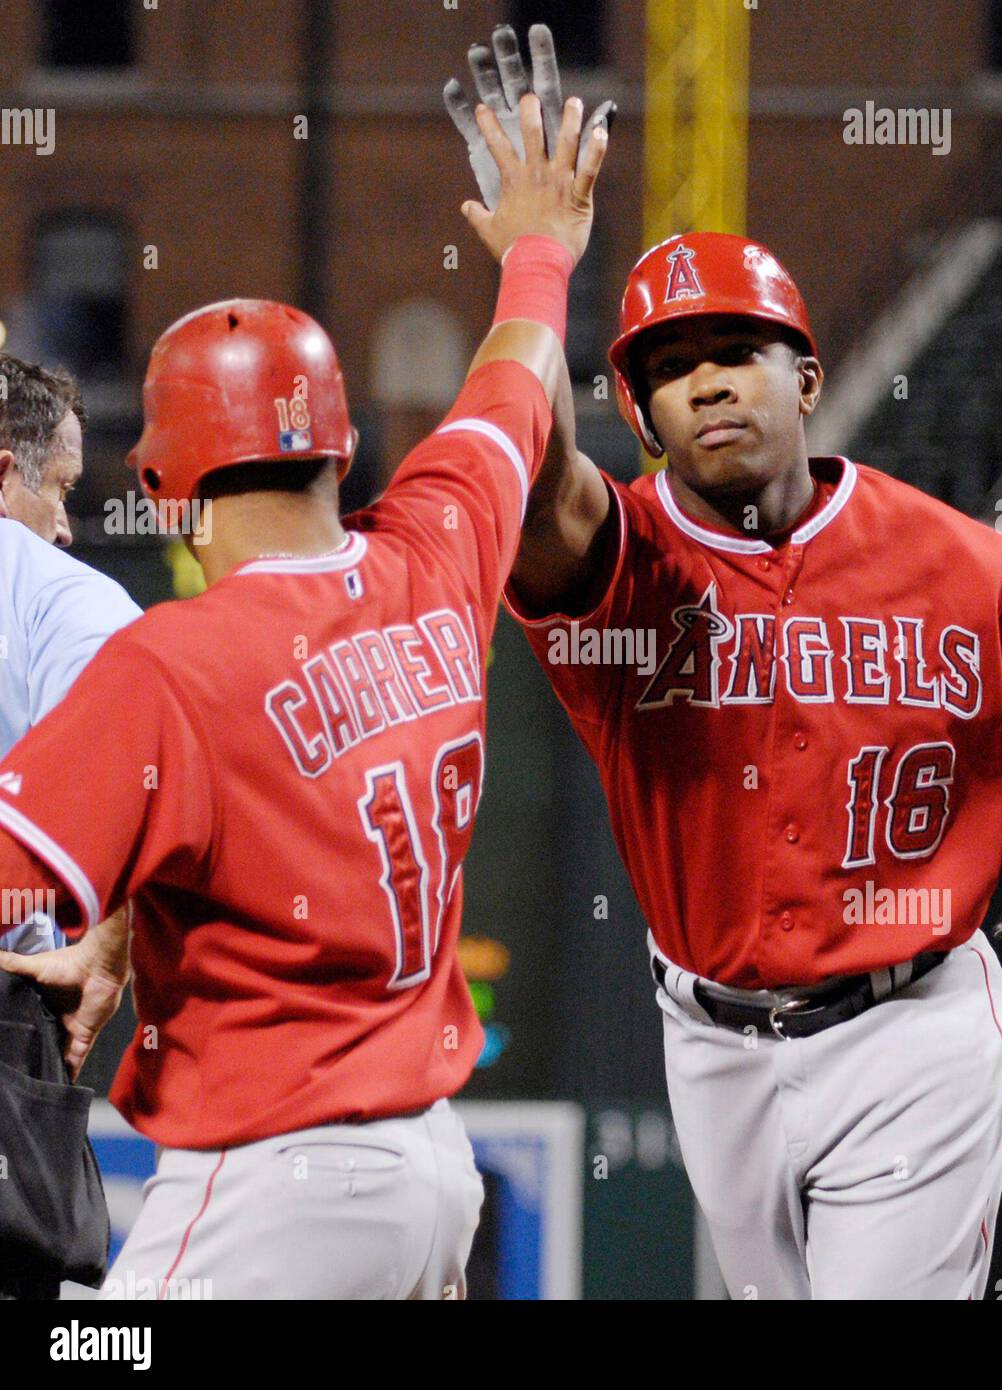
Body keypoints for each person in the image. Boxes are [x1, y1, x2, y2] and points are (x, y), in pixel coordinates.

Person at [449, 33, 1002, 1299]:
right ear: (644, 414)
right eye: (670, 372)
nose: (707, 385)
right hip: (710, 1035)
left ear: (806, 372)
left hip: (918, 1026)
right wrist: (536, 260)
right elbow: (525, 478)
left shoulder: (960, 561)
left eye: (735, 352)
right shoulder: (624, 559)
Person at [0, 91, 608, 1299]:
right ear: (338, 451)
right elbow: (514, 391)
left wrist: (98, 925)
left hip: (272, 1185)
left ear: (174, 497)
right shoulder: (439, 551)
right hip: (436, 1172)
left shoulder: (172, 665)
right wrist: (541, 255)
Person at [0, 354, 140, 956]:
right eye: (62, 486)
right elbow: (122, 799)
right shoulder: (63, 591)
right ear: (4, 476)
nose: (64, 527)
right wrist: (105, 958)